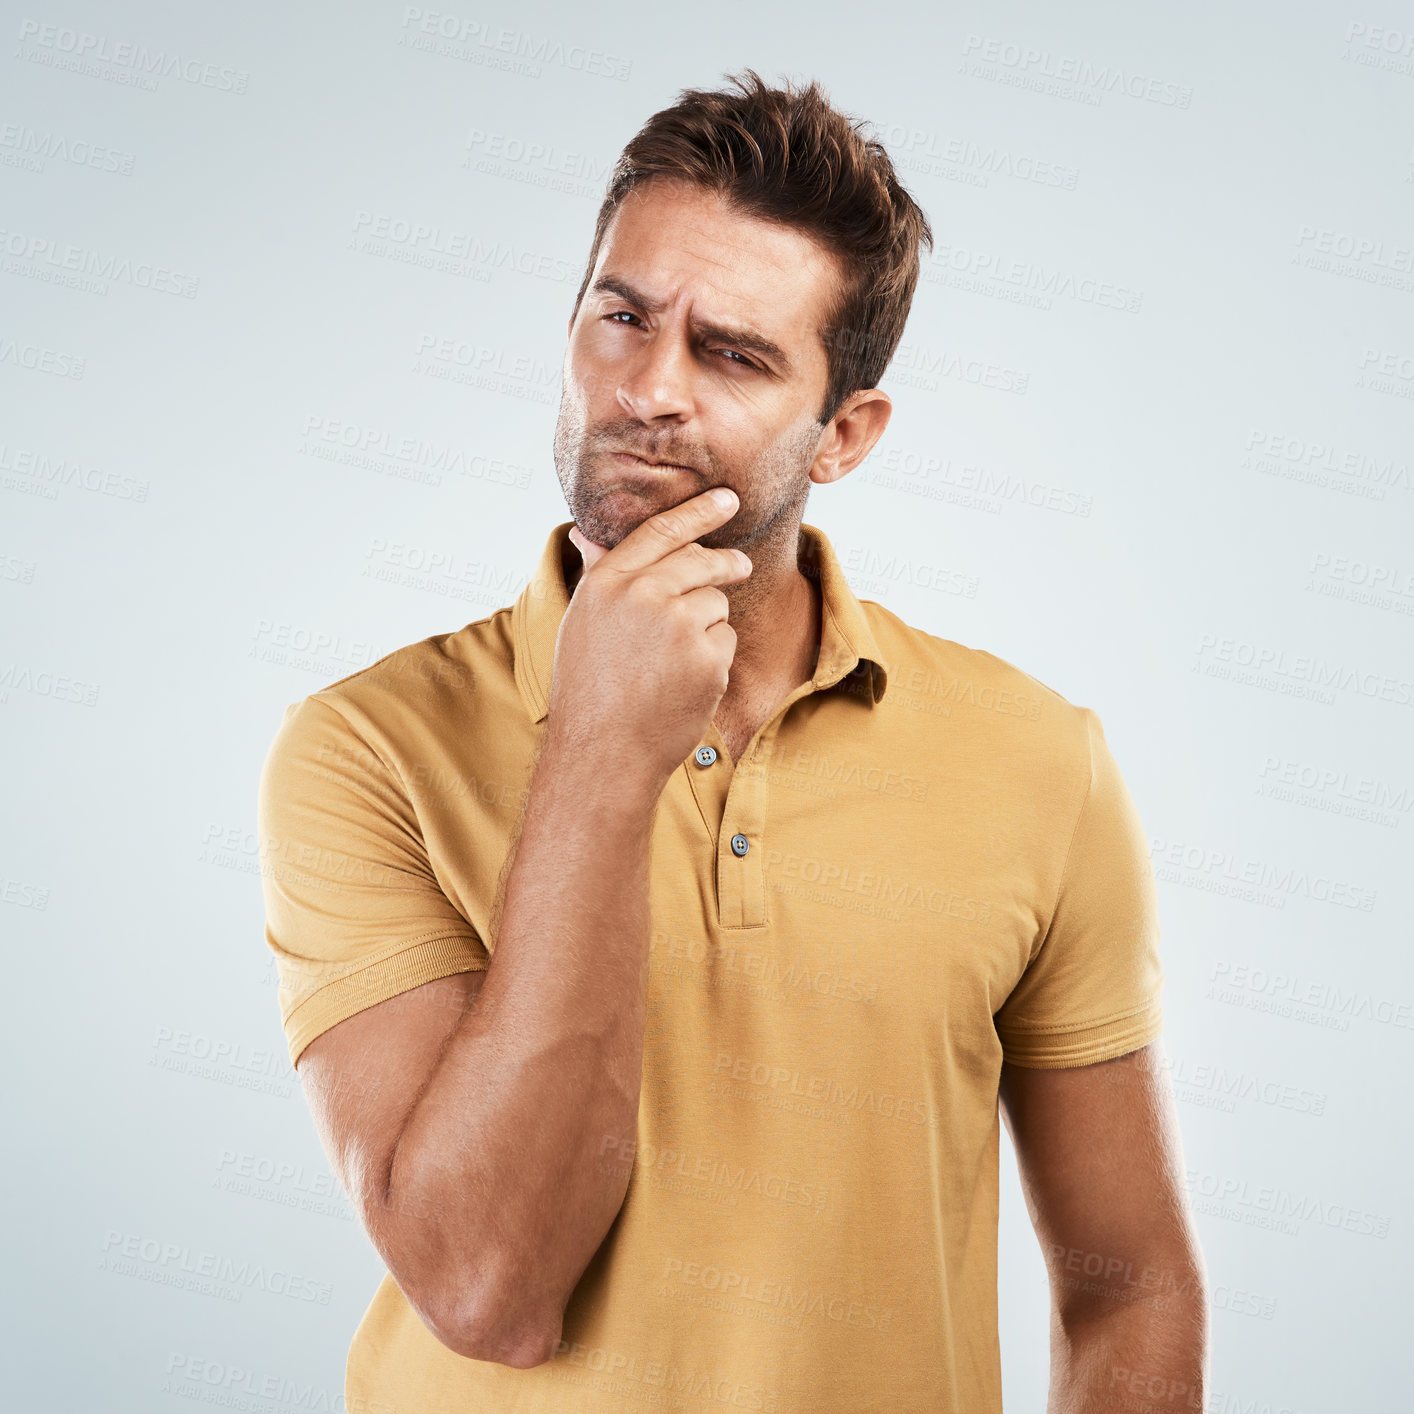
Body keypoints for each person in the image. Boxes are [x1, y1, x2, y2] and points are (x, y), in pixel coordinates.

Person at [257, 69, 1208, 1414]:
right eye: (621, 316)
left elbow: (1130, 1291)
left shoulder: (1039, 761)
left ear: (846, 436)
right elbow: (487, 1286)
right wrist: (597, 748)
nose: (646, 387)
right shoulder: (363, 748)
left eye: (731, 353)